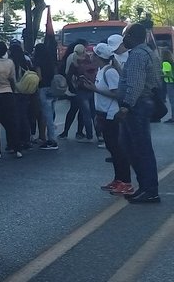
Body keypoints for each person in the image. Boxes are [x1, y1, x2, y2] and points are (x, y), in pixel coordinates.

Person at [116, 24, 163, 204]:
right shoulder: (148, 52)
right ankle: (146, 187)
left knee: (140, 149)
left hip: (137, 106)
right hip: (142, 104)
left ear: (133, 36)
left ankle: (149, 190)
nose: (123, 39)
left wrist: (126, 106)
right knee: (132, 146)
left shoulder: (137, 55)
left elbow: (135, 84)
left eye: (125, 35)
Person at [91, 43, 132, 196]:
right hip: (103, 113)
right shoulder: (101, 70)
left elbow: (117, 94)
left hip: (112, 115)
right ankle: (118, 179)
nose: (91, 56)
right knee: (112, 149)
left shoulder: (110, 72)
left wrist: (94, 89)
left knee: (117, 149)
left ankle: (126, 182)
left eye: (94, 54)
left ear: (99, 56)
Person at [65, 43, 98, 142]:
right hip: (93, 89)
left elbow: (68, 76)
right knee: (94, 113)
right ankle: (99, 135)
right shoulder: (90, 58)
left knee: (85, 114)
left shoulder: (74, 61)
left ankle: (89, 136)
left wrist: (72, 88)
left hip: (81, 90)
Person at [33, 36, 60, 150]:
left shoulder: (38, 62)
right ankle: (52, 136)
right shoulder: (51, 61)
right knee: (51, 113)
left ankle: (52, 140)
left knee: (46, 115)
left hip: (43, 88)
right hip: (53, 88)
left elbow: (39, 77)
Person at [162, 48, 174, 123]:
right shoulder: (172, 62)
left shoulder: (165, 63)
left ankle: (173, 118)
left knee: (172, 101)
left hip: (170, 83)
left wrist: (160, 75)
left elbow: (168, 74)